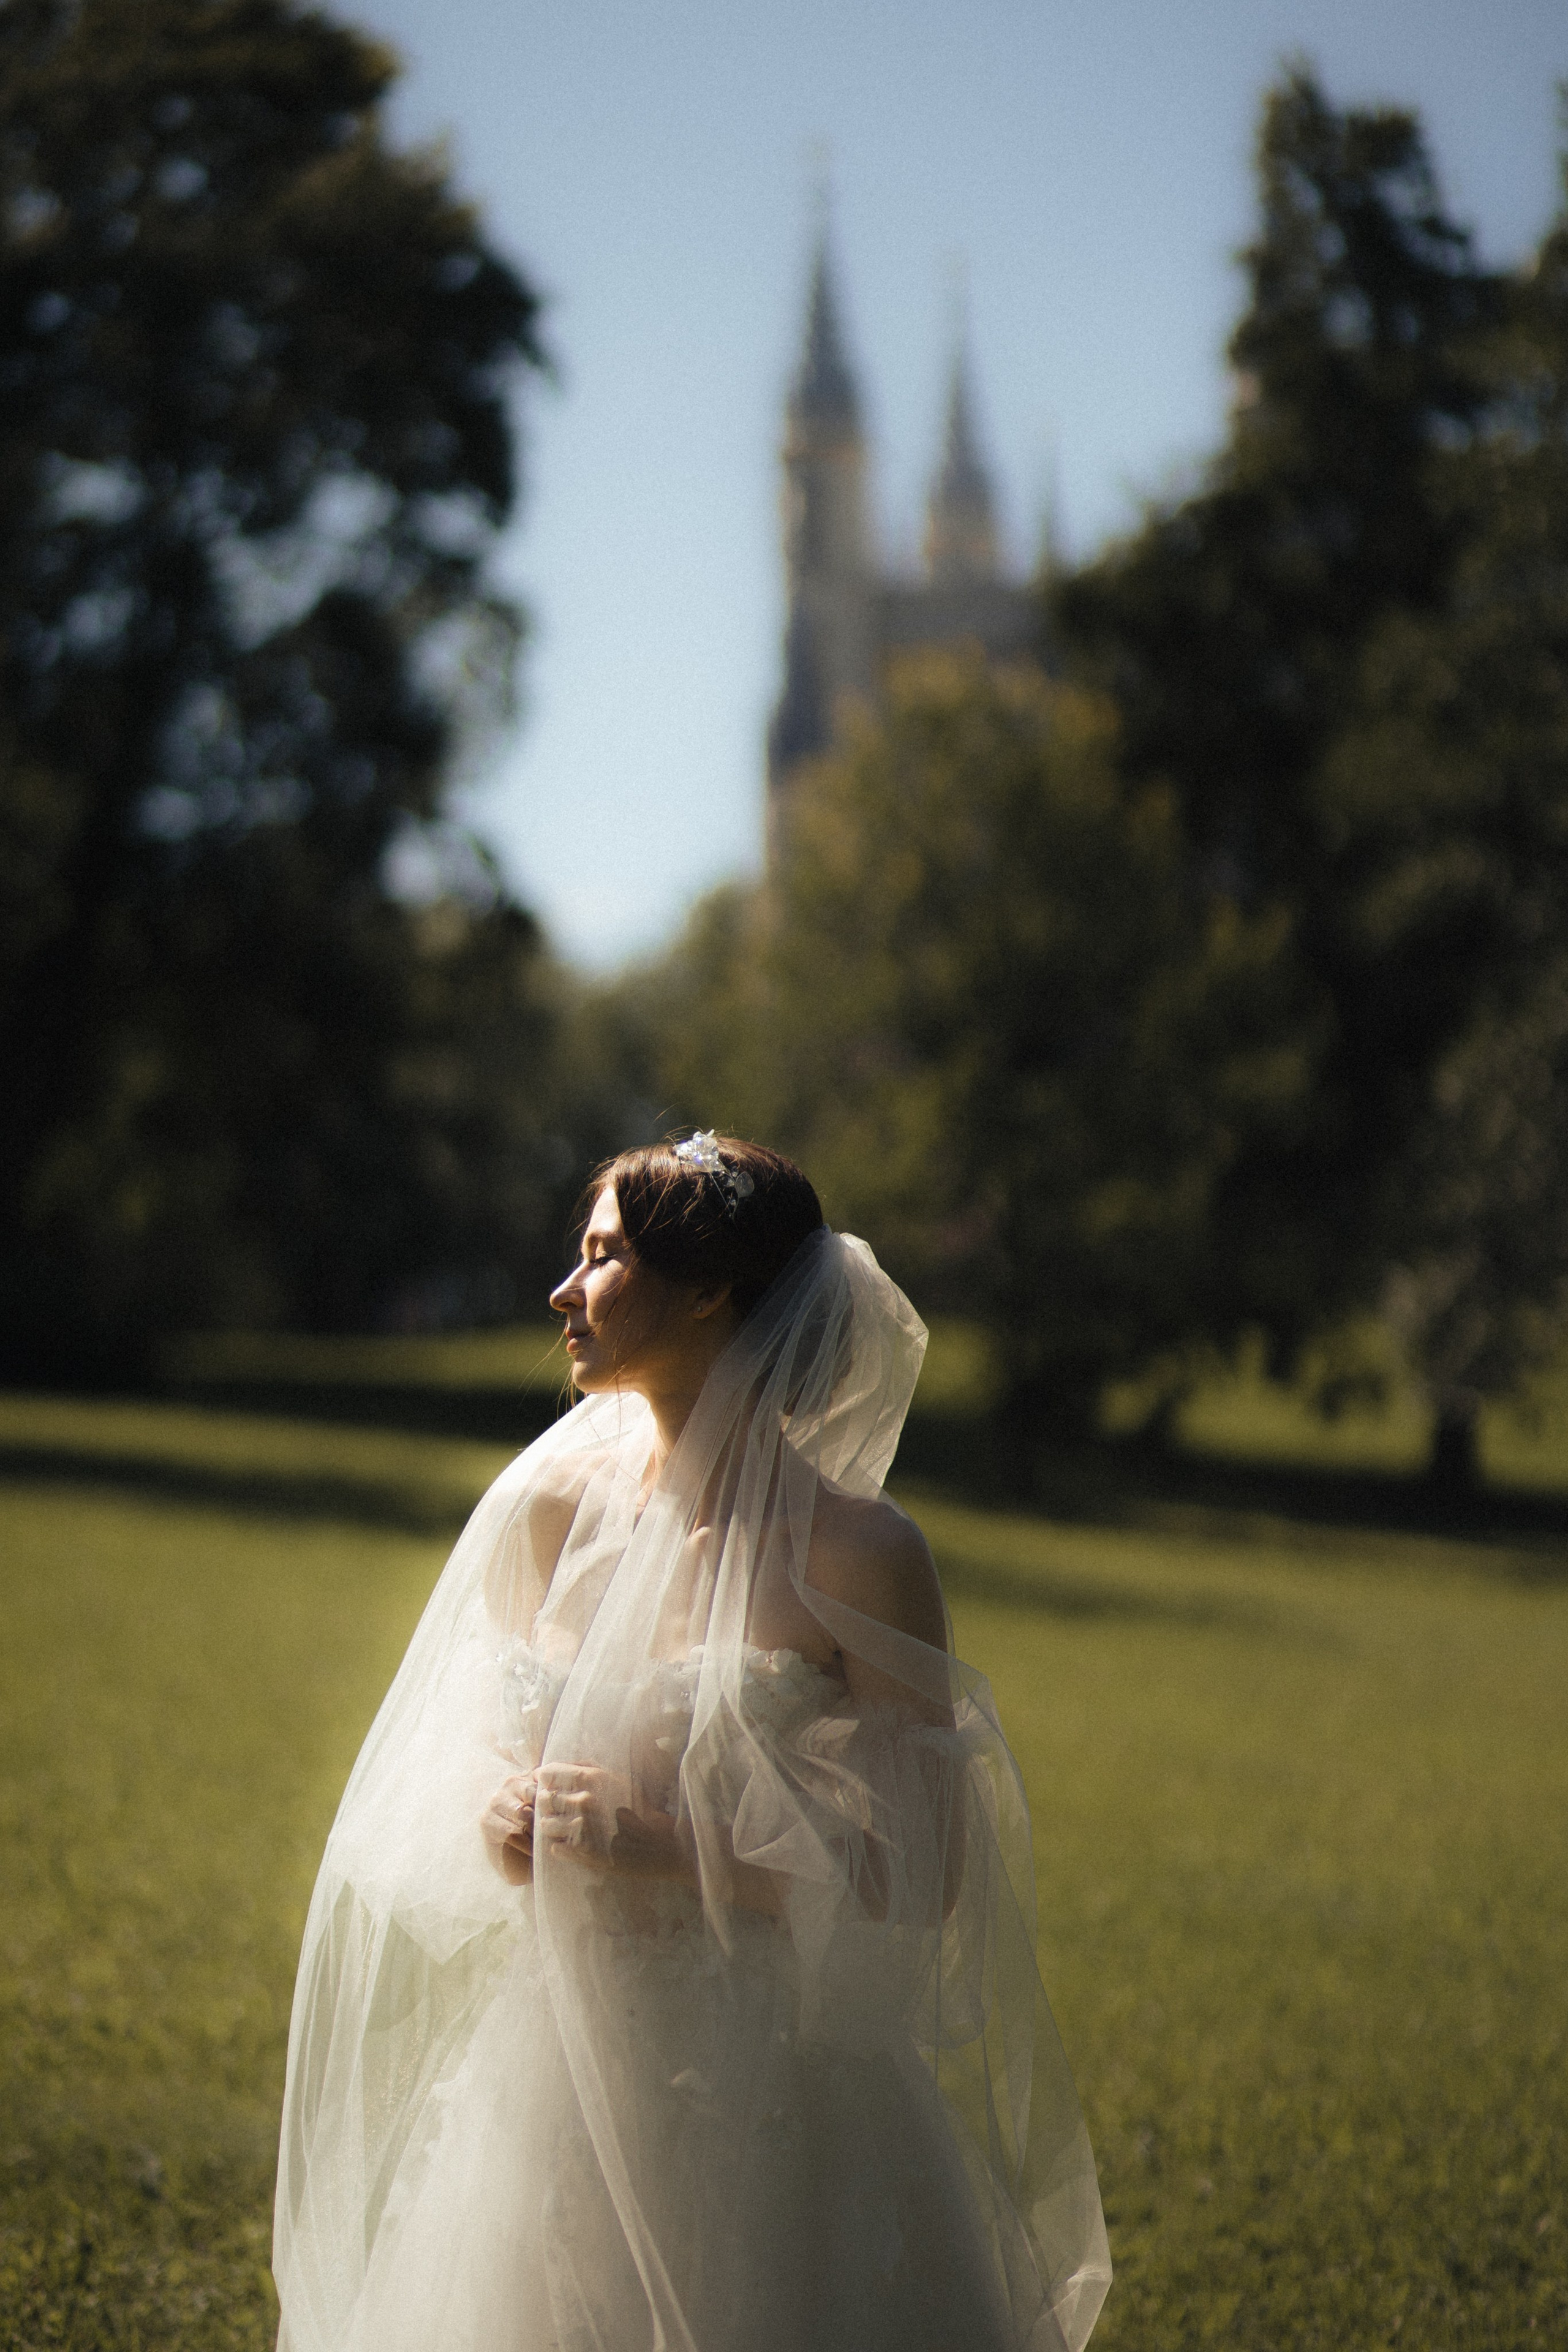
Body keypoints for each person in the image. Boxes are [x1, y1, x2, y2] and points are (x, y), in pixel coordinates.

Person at [273, 1136, 1109, 2352]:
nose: (565, 1291)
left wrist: (657, 1844)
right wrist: (503, 1817)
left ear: (710, 1289)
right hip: (548, 2065)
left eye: (602, 1257)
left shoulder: (859, 1556)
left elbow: (923, 1873)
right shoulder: (546, 1515)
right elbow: (462, 1751)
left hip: (770, 2089)